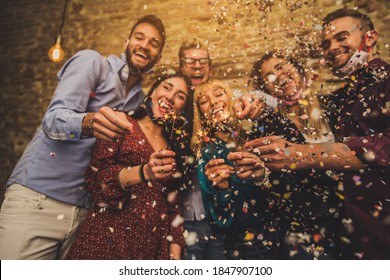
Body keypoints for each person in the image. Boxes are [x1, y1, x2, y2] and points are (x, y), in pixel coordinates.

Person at [0, 14, 166, 260]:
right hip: (39, 199)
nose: (144, 45)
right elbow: (53, 119)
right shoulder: (93, 63)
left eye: (153, 43)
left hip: (85, 213)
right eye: (139, 38)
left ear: (159, 56)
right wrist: (89, 122)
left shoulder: (139, 101)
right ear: (127, 42)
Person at [245, 9, 389, 259]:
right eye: (326, 43)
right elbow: (268, 184)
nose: (333, 47)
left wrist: (301, 154)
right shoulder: (348, 97)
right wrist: (258, 99)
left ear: (371, 37)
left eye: (342, 37)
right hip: (322, 231)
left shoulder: (335, 103)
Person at [66, 73, 193, 260]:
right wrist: (143, 172)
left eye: (180, 96)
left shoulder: (175, 149)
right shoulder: (122, 123)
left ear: (182, 109)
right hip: (108, 237)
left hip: (152, 246)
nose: (171, 97)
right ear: (153, 92)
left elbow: (173, 206)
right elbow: (96, 183)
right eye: (167, 87)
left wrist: (174, 254)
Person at [246, 51, 348, 259]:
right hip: (303, 228)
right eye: (268, 76)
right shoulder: (267, 127)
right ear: (265, 89)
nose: (277, 75)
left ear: (299, 71)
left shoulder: (334, 107)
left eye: (281, 66)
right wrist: (259, 176)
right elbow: (267, 184)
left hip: (351, 219)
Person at [192, 80, 279, 260]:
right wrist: (222, 190)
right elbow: (217, 221)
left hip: (287, 229)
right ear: (200, 112)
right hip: (248, 243)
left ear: (231, 97)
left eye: (218, 93)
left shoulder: (257, 131)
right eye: (204, 101)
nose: (213, 102)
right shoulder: (209, 154)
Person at [177, 38, 226, 260]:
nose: (197, 66)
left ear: (210, 67)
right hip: (184, 213)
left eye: (203, 61)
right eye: (190, 61)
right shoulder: (174, 107)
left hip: (219, 213)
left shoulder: (218, 104)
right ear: (181, 66)